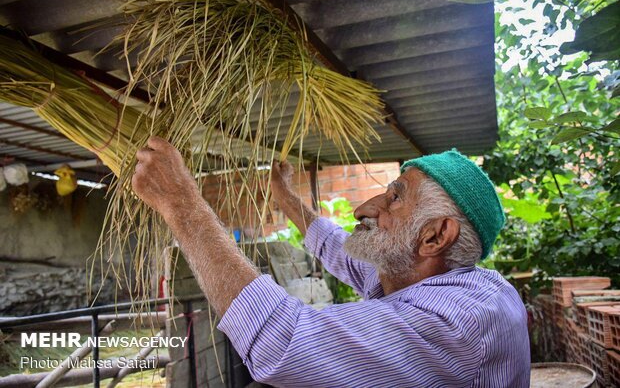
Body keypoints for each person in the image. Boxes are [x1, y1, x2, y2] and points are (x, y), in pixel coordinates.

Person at [132, 137, 530, 387]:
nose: (363, 209)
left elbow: (281, 342)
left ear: (436, 236)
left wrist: (181, 203)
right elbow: (338, 247)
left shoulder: (457, 321)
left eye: (394, 198)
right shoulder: (421, 273)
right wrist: (285, 196)